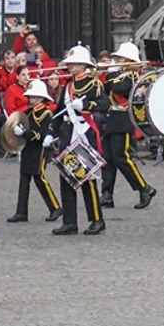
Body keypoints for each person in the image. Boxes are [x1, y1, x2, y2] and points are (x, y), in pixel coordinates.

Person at [45, 77, 105, 237]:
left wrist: (85, 105)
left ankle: (97, 220)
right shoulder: (68, 86)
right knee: (66, 179)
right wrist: (51, 132)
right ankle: (69, 222)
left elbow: (104, 104)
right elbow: (59, 111)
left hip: (83, 132)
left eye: (75, 65)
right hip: (68, 133)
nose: (71, 67)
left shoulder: (94, 84)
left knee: (88, 180)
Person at [100, 41, 156, 211]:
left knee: (122, 158)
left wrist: (111, 74)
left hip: (123, 119)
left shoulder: (132, 76)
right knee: (108, 159)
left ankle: (144, 188)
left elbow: (120, 89)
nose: (117, 60)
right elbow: (104, 91)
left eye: (120, 58)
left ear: (129, 61)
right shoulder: (118, 74)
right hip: (112, 118)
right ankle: (107, 194)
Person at [7, 79, 62, 224]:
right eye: (30, 95)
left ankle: (55, 207)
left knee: (40, 178)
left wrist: (24, 133)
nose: (31, 98)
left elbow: (41, 134)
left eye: (34, 96)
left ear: (41, 97)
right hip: (27, 148)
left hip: (39, 149)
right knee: (24, 180)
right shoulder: (28, 112)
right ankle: (21, 212)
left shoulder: (45, 113)